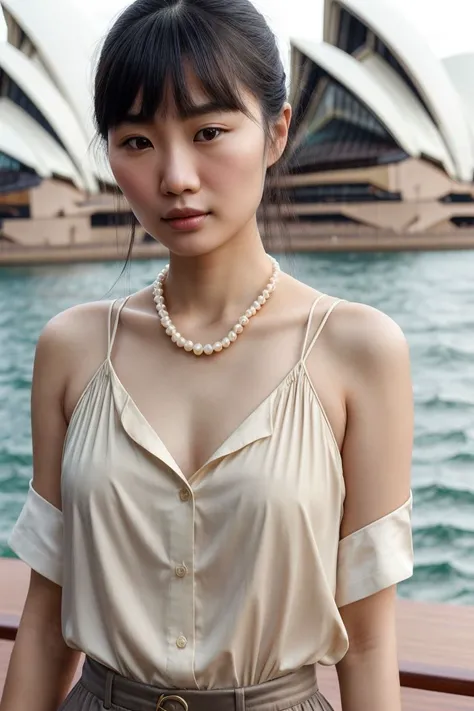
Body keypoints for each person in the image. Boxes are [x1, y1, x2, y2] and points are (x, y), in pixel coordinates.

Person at [0, 1, 414, 710]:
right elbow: (44, 623)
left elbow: (370, 642)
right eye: (136, 141)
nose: (176, 176)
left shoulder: (359, 350)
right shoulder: (71, 347)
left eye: (209, 131)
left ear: (278, 131)